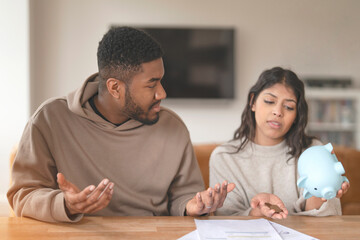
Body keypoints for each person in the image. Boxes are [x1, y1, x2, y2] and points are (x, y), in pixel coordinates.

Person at [7, 26, 235, 223]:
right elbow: (22, 195)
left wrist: (193, 207)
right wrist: (66, 204)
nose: (162, 93)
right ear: (115, 88)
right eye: (151, 84)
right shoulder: (50, 119)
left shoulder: (172, 127)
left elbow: (185, 197)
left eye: (161, 81)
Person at [209, 67, 350, 219]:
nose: (278, 112)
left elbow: (324, 222)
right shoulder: (224, 157)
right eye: (270, 101)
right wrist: (259, 212)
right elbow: (225, 219)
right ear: (253, 102)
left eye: (289, 107)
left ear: (297, 115)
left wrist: (322, 192)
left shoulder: (314, 150)